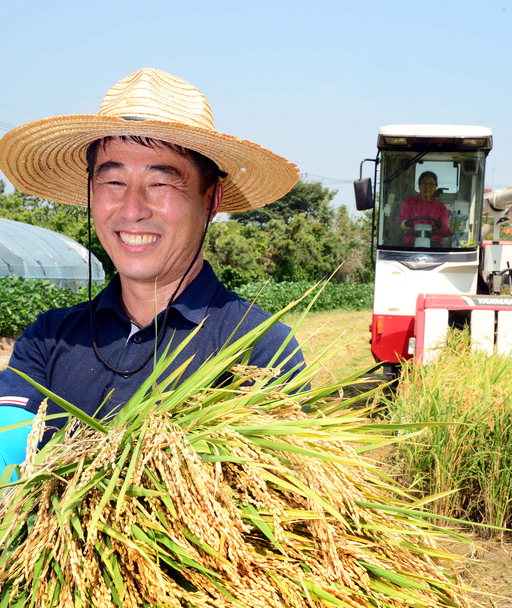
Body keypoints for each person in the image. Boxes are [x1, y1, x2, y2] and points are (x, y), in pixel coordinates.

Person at [0, 68, 305, 473]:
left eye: (161, 184)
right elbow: (8, 468)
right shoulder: (48, 339)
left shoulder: (257, 348)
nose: (132, 209)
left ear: (211, 201)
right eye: (112, 182)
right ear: (91, 192)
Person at [398, 171, 452, 248]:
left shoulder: (441, 207)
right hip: (411, 243)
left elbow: (444, 229)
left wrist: (452, 230)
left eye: (431, 184)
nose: (427, 187)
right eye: (424, 183)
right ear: (419, 185)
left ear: (435, 187)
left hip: (434, 244)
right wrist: (407, 226)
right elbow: (402, 223)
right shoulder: (408, 202)